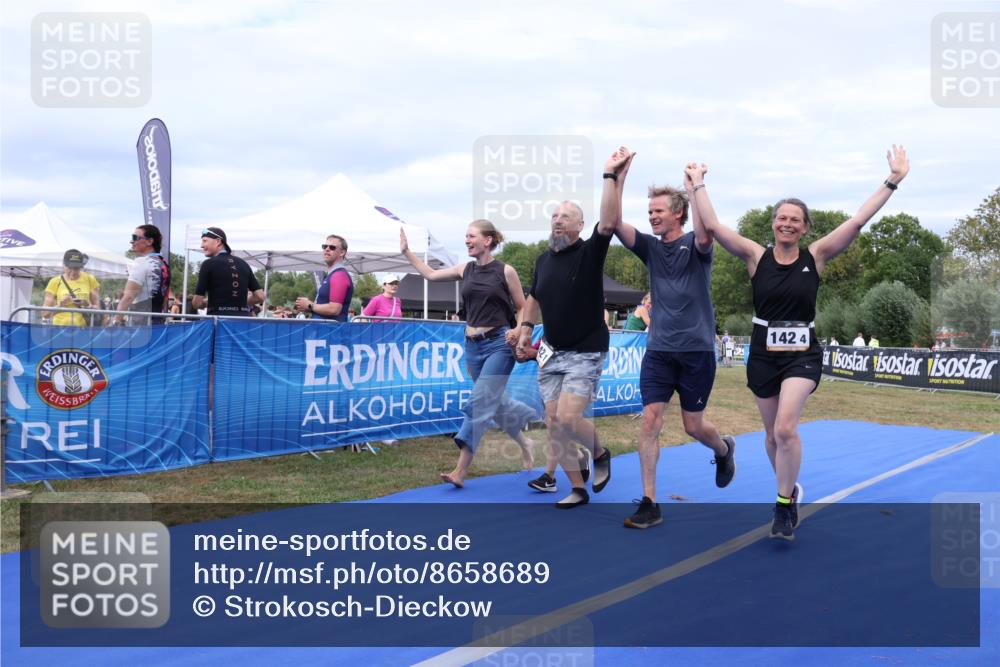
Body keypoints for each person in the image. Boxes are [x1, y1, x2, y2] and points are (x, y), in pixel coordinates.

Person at [690, 144, 910, 540]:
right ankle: (789, 491)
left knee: (787, 429)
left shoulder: (817, 255)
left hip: (802, 355)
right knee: (773, 435)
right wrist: (699, 184)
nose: (787, 224)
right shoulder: (756, 257)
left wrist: (892, 180)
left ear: (805, 227)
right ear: (773, 224)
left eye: (795, 219)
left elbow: (858, 221)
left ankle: (782, 506)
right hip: (762, 351)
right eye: (781, 218)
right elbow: (716, 227)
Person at [602, 146, 736, 529]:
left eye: (658, 210)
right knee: (650, 420)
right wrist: (616, 177)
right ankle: (650, 502)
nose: (652, 216)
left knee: (694, 426)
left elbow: (708, 229)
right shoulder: (649, 248)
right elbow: (611, 223)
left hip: (695, 351)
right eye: (649, 212)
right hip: (659, 351)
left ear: (678, 212)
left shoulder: (697, 245)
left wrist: (695, 185)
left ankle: (724, 448)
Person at [401, 220, 536, 485]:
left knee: (479, 402)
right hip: (472, 346)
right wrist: (407, 252)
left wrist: (519, 330)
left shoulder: (505, 271)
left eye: (471, 236)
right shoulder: (466, 269)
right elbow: (430, 275)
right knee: (493, 403)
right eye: (465, 236)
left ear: (488, 240)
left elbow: (523, 308)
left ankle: (460, 471)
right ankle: (527, 439)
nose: (466, 240)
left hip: (499, 343)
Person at [516, 201, 615, 509]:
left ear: (580, 226)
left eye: (565, 217)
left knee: (567, 418)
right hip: (550, 353)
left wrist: (613, 176)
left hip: (585, 349)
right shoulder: (543, 260)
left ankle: (599, 454)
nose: (557, 221)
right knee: (554, 424)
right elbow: (533, 298)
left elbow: (609, 222)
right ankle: (577, 488)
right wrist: (524, 331)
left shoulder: (589, 253)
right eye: (554, 216)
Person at [192, 227, 264, 316]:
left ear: (218, 241)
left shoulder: (208, 264)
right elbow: (260, 296)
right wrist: (239, 303)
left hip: (219, 321)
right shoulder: (243, 263)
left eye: (204, 241)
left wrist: (206, 303)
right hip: (243, 321)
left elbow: (196, 303)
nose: (201, 245)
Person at [115, 224, 170, 323]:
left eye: (135, 237)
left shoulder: (141, 262)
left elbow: (128, 296)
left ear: (149, 241)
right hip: (158, 323)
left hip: (140, 325)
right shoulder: (164, 264)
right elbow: (165, 299)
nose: (131, 241)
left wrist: (116, 321)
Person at [295, 235, 353, 321]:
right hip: (325, 330)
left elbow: (334, 309)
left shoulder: (339, 275)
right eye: (324, 246)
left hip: (331, 331)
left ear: (342, 252)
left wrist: (310, 305)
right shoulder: (334, 274)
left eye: (332, 247)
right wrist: (307, 306)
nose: (327, 249)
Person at [42, 249, 100, 326]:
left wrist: (88, 305)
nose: (73, 272)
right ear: (64, 265)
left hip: (82, 330)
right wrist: (60, 305)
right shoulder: (55, 281)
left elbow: (98, 309)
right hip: (59, 329)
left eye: (76, 268)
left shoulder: (90, 279)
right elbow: (45, 314)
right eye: (69, 268)